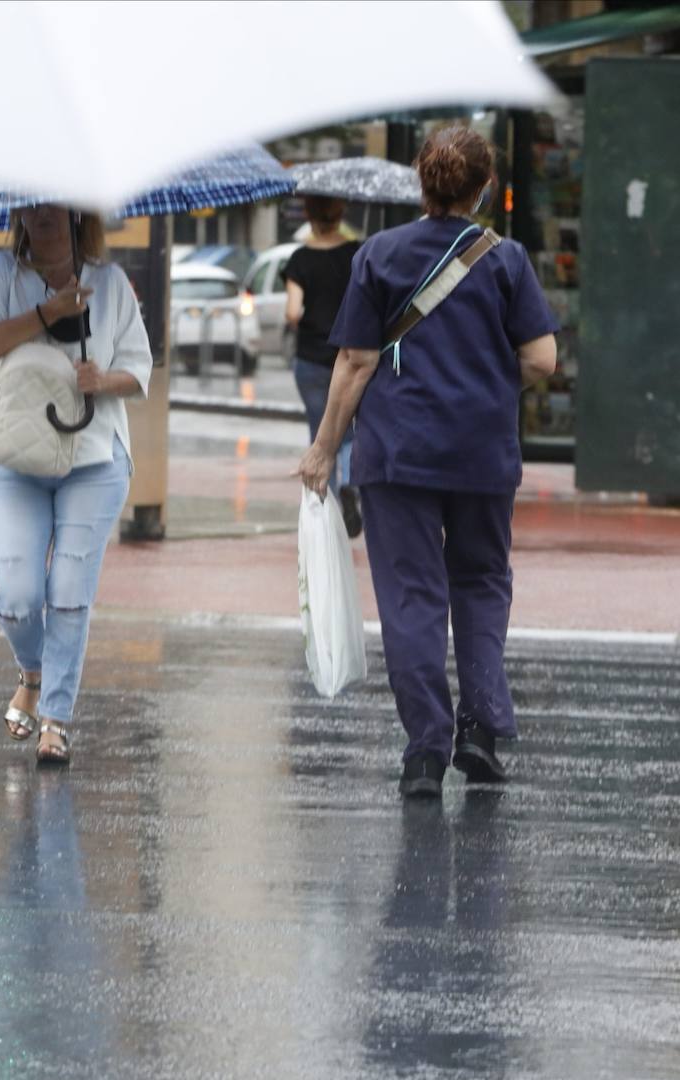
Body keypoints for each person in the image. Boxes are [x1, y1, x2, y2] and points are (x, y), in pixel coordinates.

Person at [297, 127, 559, 800]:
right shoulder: (506, 261)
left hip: (397, 453)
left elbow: (354, 362)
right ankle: (479, 732)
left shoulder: (379, 254)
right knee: (479, 582)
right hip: (481, 452)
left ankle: (423, 750)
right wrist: (490, 384)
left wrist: (324, 447)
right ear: (483, 188)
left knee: (411, 594)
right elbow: (541, 360)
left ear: (423, 182)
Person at [0, 204, 151, 765]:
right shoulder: (1, 274)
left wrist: (104, 378)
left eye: (55, 206)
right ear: (20, 215)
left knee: (69, 591)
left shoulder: (110, 284)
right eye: (32, 206)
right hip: (17, 456)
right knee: (17, 595)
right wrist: (47, 314)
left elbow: (139, 372)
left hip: (93, 459)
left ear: (77, 216)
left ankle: (56, 720)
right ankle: (34, 671)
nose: (42, 214)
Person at [284, 195, 363, 537]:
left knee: (321, 432)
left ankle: (325, 509)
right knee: (350, 430)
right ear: (341, 212)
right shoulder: (357, 254)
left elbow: (292, 312)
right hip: (349, 357)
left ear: (308, 215)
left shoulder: (300, 258)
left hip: (311, 360)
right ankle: (352, 483)